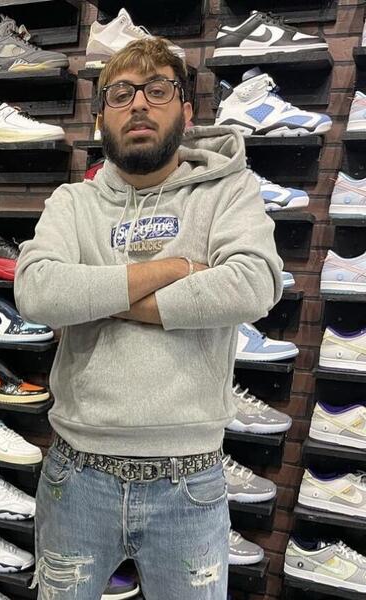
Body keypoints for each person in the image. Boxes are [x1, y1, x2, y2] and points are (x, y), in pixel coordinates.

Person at [14, 38, 282, 599]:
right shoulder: (73, 203)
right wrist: (178, 267)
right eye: (121, 93)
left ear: (187, 110)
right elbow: (37, 291)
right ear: (101, 118)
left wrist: (97, 295)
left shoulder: (228, 191)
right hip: (76, 474)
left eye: (157, 90)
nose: (139, 104)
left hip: (190, 479)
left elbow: (254, 283)